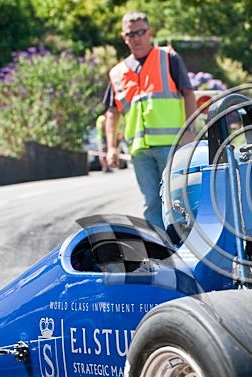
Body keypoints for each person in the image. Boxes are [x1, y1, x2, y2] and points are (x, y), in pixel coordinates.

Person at [103, 11, 197, 232]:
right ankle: (162, 253)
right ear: (124, 37)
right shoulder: (117, 73)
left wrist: (190, 130)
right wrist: (111, 148)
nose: (137, 38)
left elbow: (188, 93)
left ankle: (188, 246)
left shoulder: (168, 58)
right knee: (152, 204)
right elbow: (112, 113)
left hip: (171, 145)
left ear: (149, 33)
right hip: (140, 150)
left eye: (141, 32)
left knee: (177, 199)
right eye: (131, 34)